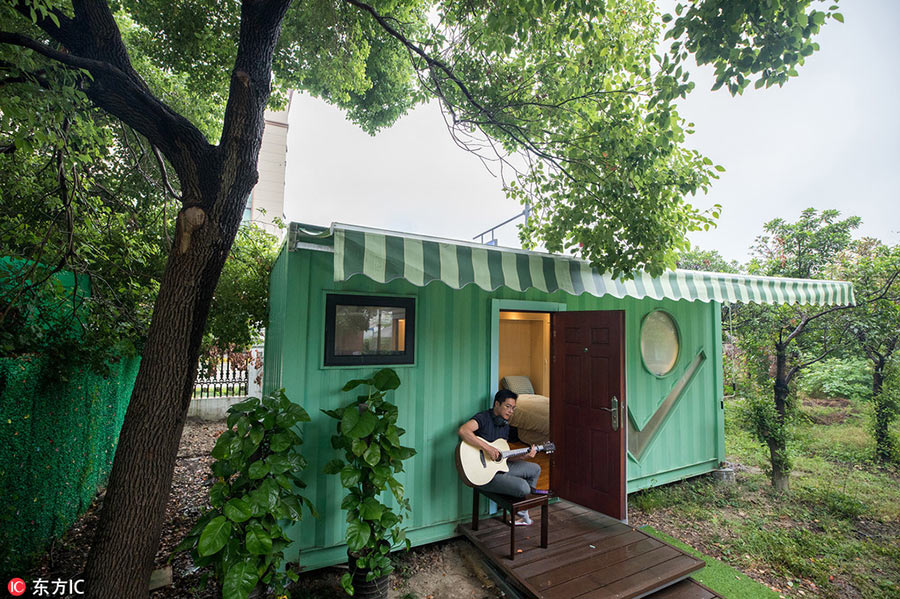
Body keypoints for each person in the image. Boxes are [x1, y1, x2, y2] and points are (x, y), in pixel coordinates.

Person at [458, 389, 542, 525]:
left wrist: (523, 456)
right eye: (507, 406)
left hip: (498, 467)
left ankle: (521, 514)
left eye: (513, 408)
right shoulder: (483, 418)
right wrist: (487, 448)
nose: (510, 411)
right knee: (524, 487)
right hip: (483, 475)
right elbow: (463, 430)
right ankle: (517, 505)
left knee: (535, 469)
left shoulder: (504, 425)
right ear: (497, 404)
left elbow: (504, 457)